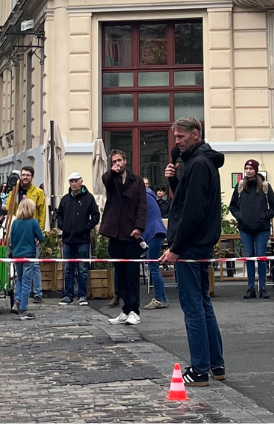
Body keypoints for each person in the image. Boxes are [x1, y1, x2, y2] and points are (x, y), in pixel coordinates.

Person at [161, 117, 225, 387]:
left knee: (193, 307)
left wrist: (176, 247)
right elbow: (187, 201)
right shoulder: (201, 163)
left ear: (195, 136)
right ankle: (215, 364)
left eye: (181, 138)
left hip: (191, 246)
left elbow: (192, 212)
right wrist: (175, 182)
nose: (177, 142)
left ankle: (199, 369)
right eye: (175, 138)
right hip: (200, 244)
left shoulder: (198, 164)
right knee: (203, 304)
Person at [101, 148, 147, 326]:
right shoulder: (111, 180)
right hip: (115, 233)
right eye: (114, 161)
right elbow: (105, 181)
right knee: (119, 273)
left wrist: (139, 227)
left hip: (131, 233)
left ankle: (135, 310)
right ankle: (125, 310)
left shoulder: (137, 182)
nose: (117, 164)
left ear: (125, 161)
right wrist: (111, 173)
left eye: (119, 160)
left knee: (132, 274)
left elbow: (142, 206)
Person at [229, 160, 274, 300]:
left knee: (261, 256)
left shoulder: (265, 186)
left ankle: (262, 287)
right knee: (249, 256)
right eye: (246, 168)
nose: (248, 170)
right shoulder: (240, 187)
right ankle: (250, 287)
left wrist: (264, 216)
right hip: (245, 228)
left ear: (256, 170)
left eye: (251, 168)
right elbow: (232, 206)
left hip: (261, 228)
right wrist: (241, 217)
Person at [4, 166, 47, 303]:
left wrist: (38, 232)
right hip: (19, 230)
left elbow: (42, 212)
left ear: (32, 177)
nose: (25, 177)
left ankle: (38, 292)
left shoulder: (38, 192)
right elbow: (8, 208)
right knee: (21, 272)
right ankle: (21, 299)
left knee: (34, 265)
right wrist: (12, 192)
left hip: (32, 231)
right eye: (23, 175)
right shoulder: (15, 190)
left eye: (28, 175)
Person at [56, 172, 99, 307]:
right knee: (68, 268)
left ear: (81, 181)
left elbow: (96, 216)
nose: (73, 184)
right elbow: (59, 215)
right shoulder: (65, 199)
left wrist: (86, 228)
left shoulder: (89, 198)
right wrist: (63, 226)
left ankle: (82, 295)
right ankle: (68, 295)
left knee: (82, 268)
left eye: (76, 181)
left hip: (83, 239)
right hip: (68, 239)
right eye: (71, 181)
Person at [9, 198, 45, 320]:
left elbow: (11, 239)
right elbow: (41, 237)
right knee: (26, 282)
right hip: (29, 255)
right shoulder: (33, 222)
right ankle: (23, 309)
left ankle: (17, 301)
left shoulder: (15, 223)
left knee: (19, 280)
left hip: (17, 254)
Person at [142, 181, 169, 310]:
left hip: (153, 232)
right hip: (156, 232)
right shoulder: (149, 196)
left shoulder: (143, 197)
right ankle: (162, 299)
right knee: (154, 266)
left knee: (153, 266)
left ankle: (159, 298)